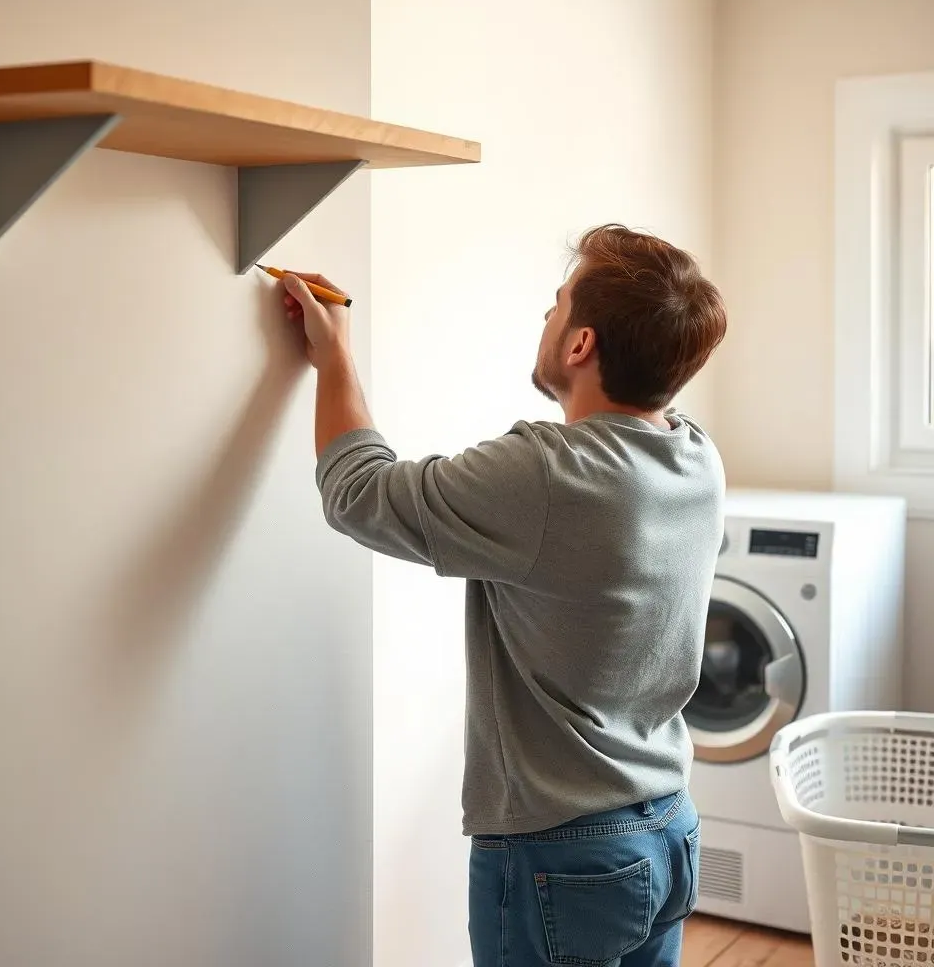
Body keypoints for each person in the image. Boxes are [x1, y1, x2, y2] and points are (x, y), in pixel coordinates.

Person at [281, 223, 728, 967]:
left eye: (556, 307)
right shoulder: (695, 454)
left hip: (565, 852)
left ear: (581, 344)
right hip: (668, 829)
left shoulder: (550, 473)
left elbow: (359, 494)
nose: (546, 320)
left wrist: (334, 356)